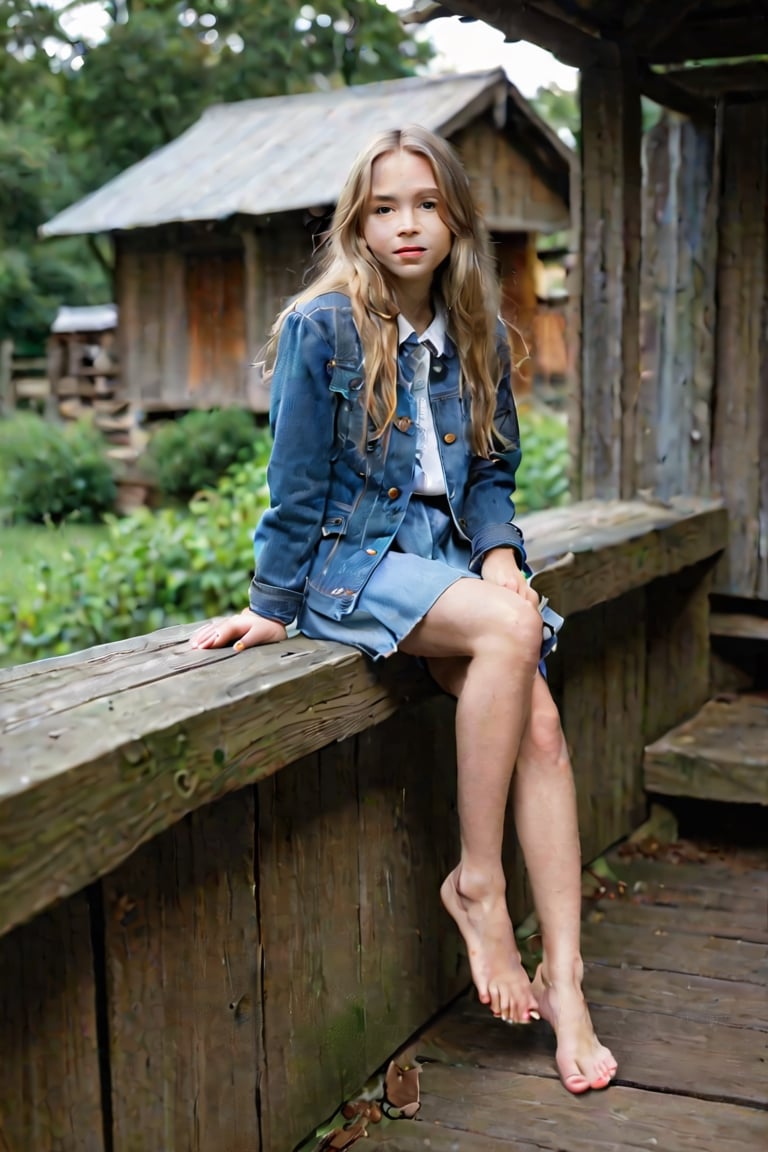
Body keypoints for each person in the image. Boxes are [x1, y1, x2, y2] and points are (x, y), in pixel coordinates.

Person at [191, 125, 617, 1094]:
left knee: (544, 731)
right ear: (358, 223)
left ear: (457, 217)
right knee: (512, 630)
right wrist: (272, 606)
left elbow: (494, 474)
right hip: (357, 555)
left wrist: (501, 552)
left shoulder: (477, 329)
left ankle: (569, 978)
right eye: (384, 207)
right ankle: (477, 882)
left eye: (425, 203)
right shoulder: (321, 327)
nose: (407, 224)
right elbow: (295, 484)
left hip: (452, 559)